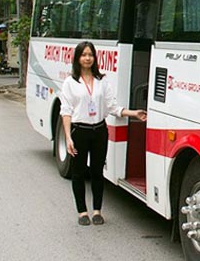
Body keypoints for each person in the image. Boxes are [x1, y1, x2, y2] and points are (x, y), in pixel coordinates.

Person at [60, 41, 147, 226]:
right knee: (78, 173)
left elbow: (112, 107)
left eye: (90, 54)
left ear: (94, 58)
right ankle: (82, 212)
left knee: (98, 172)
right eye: (83, 55)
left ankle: (97, 211)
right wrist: (68, 137)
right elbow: (66, 111)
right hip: (79, 131)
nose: (87, 58)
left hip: (99, 130)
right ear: (77, 58)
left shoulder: (102, 80)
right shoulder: (70, 82)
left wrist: (133, 113)